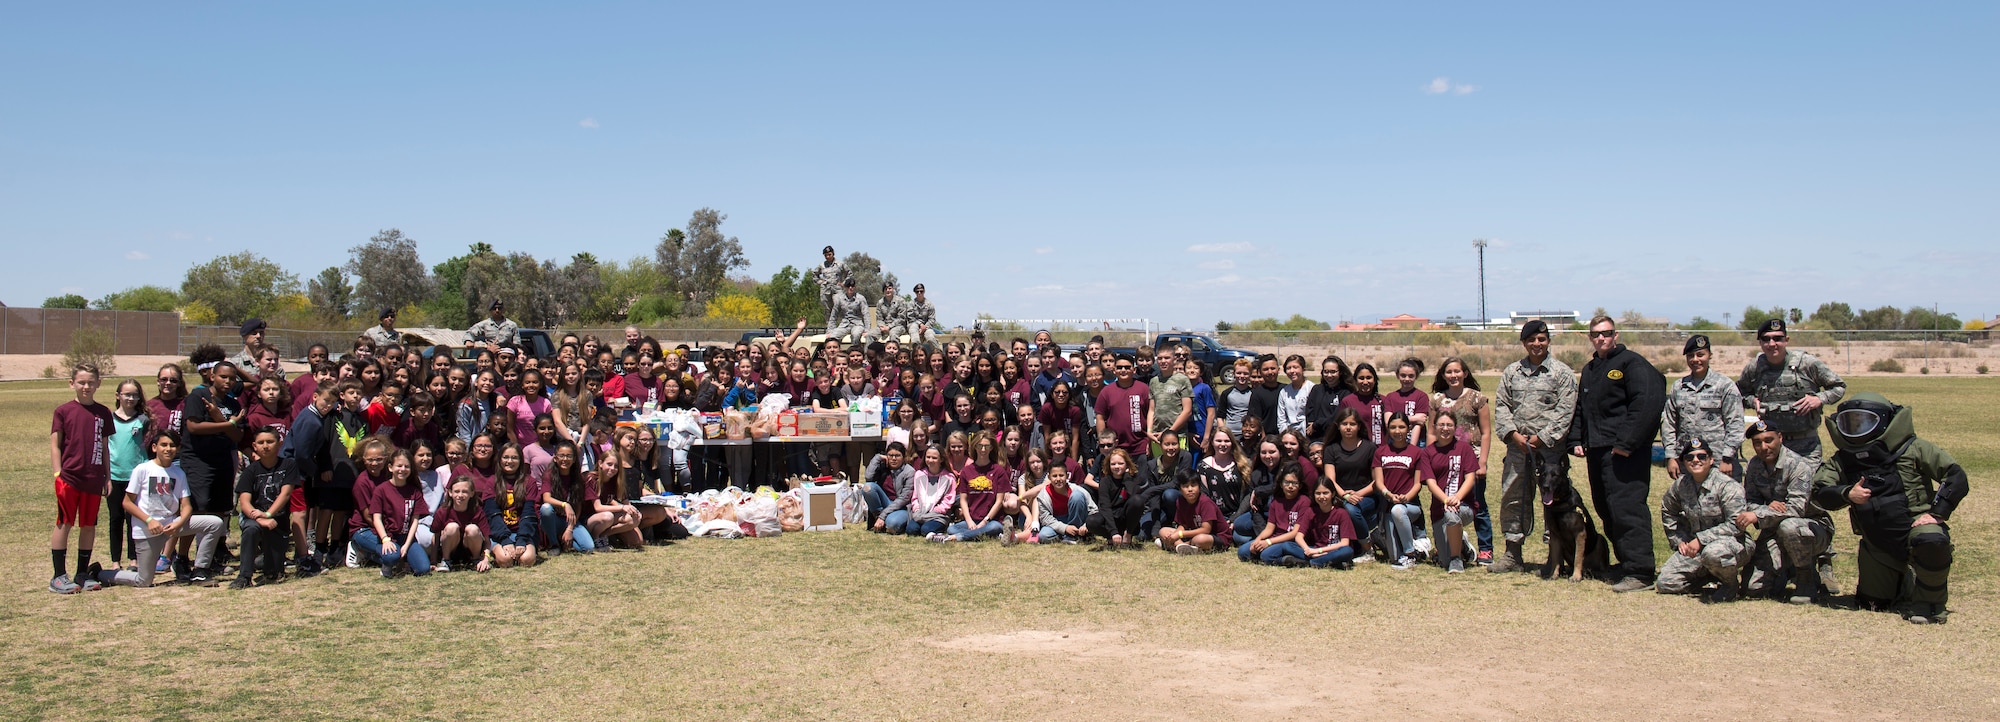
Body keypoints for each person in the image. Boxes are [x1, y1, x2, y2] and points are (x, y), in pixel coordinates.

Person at [1811, 392, 1968, 624]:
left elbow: (1956, 476)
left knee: (1931, 540)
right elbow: (1819, 492)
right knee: (1873, 605)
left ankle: (1929, 605)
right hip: (1877, 542)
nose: (1857, 428)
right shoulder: (1842, 460)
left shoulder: (1914, 448)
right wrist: (1847, 493)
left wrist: (1937, 514)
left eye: (1864, 422)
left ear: (1883, 421)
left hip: (1916, 528)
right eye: (1850, 423)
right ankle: (1905, 581)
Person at [1568, 315, 1667, 593]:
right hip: (1597, 451)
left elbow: (1648, 400)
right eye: (1596, 334)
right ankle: (1626, 562)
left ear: (1616, 335)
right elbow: (1582, 409)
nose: (1601, 338)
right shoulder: (1590, 370)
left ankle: (1641, 572)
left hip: (1625, 453)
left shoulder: (1631, 364)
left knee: (1627, 509)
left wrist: (1627, 442)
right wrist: (1576, 439)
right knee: (1606, 508)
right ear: (1590, 337)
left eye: (1607, 333)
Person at [1488, 320, 1576, 574]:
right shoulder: (1512, 372)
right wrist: (1513, 435)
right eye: (1532, 340)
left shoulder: (1561, 373)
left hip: (1550, 451)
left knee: (1553, 500)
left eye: (1542, 339)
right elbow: (1502, 405)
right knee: (1513, 498)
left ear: (1548, 341)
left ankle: (1554, 558)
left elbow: (1565, 411)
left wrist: (1542, 438)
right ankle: (1513, 555)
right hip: (1518, 450)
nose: (1537, 344)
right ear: (1524, 343)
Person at [92, 432, 226, 588]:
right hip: (148, 529)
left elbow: (187, 505)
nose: (168, 449)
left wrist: (179, 523)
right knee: (144, 581)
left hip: (172, 525)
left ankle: (200, 571)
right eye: (164, 445)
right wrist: (149, 520)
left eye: (172, 445)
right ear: (155, 447)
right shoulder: (142, 469)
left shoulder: (179, 473)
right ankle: (99, 573)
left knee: (215, 523)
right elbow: (127, 503)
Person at [1739, 419, 1835, 604]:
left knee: (1789, 526)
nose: (1763, 447)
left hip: (1811, 529)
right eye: (1757, 443)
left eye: (1769, 440)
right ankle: (1787, 568)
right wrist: (1766, 508)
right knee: (1753, 589)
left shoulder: (1798, 465)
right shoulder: (1754, 466)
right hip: (1774, 528)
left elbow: (1796, 509)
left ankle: (1805, 577)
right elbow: (1750, 502)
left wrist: (1759, 514)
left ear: (1780, 438)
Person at [1737, 318, 1846, 469]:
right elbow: (1738, 394)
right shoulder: (1755, 367)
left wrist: (1819, 399)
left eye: (1778, 338)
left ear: (1786, 340)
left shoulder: (1807, 363)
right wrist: (1751, 401)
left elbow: (1839, 387)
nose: (1772, 343)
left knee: (1807, 488)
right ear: (1760, 342)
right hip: (1771, 445)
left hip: (1806, 445)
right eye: (1766, 339)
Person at [1656, 439, 1751, 603]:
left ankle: (1730, 585)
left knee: (1713, 553)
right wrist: (1679, 540)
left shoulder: (1727, 486)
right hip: (1696, 548)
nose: (1695, 460)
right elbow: (1668, 510)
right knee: (1666, 583)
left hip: (1733, 544)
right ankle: (1709, 578)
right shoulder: (1681, 485)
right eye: (1690, 457)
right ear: (1684, 462)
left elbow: (1736, 524)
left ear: (1711, 459)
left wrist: (1701, 540)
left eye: (1702, 456)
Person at [48, 363, 115, 593]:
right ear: (72, 384)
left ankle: (82, 573)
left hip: (93, 479)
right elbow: (55, 444)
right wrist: (58, 473)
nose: (86, 386)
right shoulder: (63, 411)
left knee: (88, 525)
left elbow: (105, 448)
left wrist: (107, 476)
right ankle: (58, 576)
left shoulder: (103, 412)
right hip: (69, 478)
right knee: (64, 522)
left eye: (90, 382)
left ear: (98, 384)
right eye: (81, 382)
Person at [1430, 356, 1493, 565]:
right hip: (1443, 462)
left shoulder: (1477, 399)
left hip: (1471, 461)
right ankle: (1450, 545)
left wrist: (1482, 462)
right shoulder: (1437, 400)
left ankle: (1485, 549)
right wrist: (1430, 459)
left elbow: (1485, 432)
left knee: (1478, 505)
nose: (1453, 375)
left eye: (1457, 371)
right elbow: (1431, 432)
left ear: (1465, 373)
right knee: (1442, 505)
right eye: (1449, 372)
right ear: (1443, 375)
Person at [1662, 334, 1744, 478]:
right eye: (1690, 356)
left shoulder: (1724, 386)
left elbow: (1735, 423)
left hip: (1718, 462)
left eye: (1700, 355)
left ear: (1709, 355)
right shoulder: (1679, 387)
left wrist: (1727, 457)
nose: (1695, 360)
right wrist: (1671, 456)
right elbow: (1669, 423)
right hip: (1687, 461)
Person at [230, 427, 295, 589]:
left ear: (279, 443)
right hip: (254, 518)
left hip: (277, 521)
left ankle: (263, 562)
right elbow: (244, 503)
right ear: (254, 446)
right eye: (261, 442)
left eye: (270, 442)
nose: (265, 446)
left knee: (273, 573)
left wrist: (268, 514)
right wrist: (260, 518)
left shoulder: (288, 465)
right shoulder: (250, 471)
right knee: (251, 529)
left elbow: (285, 494)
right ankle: (244, 576)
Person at [356, 448, 433, 577]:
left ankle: (403, 558)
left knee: (423, 570)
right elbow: (376, 518)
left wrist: (407, 545)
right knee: (392, 557)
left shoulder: (415, 491)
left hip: (405, 537)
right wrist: (385, 539)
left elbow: (414, 521)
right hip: (387, 535)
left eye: (406, 466)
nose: (402, 469)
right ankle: (373, 556)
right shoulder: (381, 490)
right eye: (399, 466)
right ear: (391, 468)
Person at [104, 378, 151, 574]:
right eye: (126, 394)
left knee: (133, 520)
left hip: (136, 478)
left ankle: (134, 559)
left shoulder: (143, 420)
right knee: (115, 518)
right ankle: (115, 561)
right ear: (118, 396)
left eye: (134, 395)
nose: (130, 398)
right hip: (114, 476)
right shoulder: (109, 419)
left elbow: (148, 445)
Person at [1373, 413, 1431, 570]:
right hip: (1388, 505)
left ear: (1408, 429)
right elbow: (1379, 482)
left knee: (1398, 511)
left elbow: (1418, 483)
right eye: (1393, 427)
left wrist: (1405, 498)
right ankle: (1417, 548)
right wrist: (1389, 495)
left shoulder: (1417, 452)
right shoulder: (1380, 452)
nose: (1397, 431)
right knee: (1394, 557)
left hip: (1409, 506)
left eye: (1401, 427)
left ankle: (1411, 554)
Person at [1424, 413, 1480, 573]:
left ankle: (1457, 560)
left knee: (1452, 515)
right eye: (1441, 425)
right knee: (1443, 561)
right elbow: (1430, 482)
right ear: (1434, 427)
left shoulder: (1464, 448)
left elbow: (1470, 478)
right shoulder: (1428, 452)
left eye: (1449, 425)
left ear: (1455, 428)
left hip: (1464, 506)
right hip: (1439, 509)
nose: (1445, 428)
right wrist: (1446, 500)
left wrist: (1457, 498)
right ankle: (1462, 543)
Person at [1321, 408, 1378, 562]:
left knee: (1350, 509)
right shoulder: (1331, 449)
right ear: (1338, 426)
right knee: (1346, 505)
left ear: (1359, 426)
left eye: (1352, 424)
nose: (1348, 427)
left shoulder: (1370, 448)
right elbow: (1330, 479)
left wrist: (1357, 495)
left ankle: (1368, 550)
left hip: (1366, 496)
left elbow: (1376, 481)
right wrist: (1345, 494)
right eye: (1344, 424)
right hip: (1341, 495)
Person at [1238, 462, 1312, 566]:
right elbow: (1269, 528)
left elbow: (1295, 532)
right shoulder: (1276, 501)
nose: (1290, 486)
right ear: (1281, 484)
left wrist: (1268, 542)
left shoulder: (1304, 501)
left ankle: (1288, 560)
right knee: (1243, 552)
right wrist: (1258, 540)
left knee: (1266, 555)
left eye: (1294, 483)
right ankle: (1276, 557)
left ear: (1300, 485)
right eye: (1287, 483)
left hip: (1291, 541)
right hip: (1275, 537)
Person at [486, 448, 541, 568]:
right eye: (505, 457)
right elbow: (493, 515)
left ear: (520, 461)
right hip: (499, 532)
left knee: (527, 560)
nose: (509, 461)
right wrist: (505, 540)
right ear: (499, 460)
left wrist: (522, 540)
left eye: (514, 458)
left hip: (522, 531)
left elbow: (529, 514)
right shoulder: (491, 481)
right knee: (505, 561)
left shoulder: (529, 481)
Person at [1093, 354, 1151, 460]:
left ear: (1134, 370)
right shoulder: (1106, 391)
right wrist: (1104, 442)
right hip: (1115, 449)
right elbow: (1100, 417)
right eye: (1119, 367)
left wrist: (1149, 441)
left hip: (1141, 448)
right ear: (1114, 370)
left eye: (1127, 367)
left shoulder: (1144, 389)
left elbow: (1151, 415)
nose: (1123, 370)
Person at [431, 476, 492, 572]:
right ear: (450, 493)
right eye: (456, 491)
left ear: (472, 493)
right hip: (451, 550)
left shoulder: (477, 511)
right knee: (452, 527)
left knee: (472, 529)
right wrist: (433, 561)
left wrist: (485, 559)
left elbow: (487, 541)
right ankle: (446, 561)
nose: (460, 495)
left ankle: (475, 561)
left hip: (470, 550)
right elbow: (436, 536)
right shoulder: (443, 511)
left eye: (465, 491)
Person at [1301, 478, 1360, 569]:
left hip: (1334, 550)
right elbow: (1298, 536)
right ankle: (1329, 562)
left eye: (1325, 493)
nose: (1321, 497)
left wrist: (1319, 551)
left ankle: (1312, 562)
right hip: (1314, 549)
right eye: (1318, 493)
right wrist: (1308, 550)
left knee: (1347, 551)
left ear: (1332, 494)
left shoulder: (1341, 513)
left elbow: (1344, 543)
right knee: (1288, 546)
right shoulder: (1310, 511)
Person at [1157, 471, 1221, 554]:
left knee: (1199, 539)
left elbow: (1206, 530)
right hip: (1191, 534)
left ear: (1199, 487)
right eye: (1185, 486)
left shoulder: (1205, 502)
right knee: (1163, 531)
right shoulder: (1180, 501)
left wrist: (1180, 535)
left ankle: (1176, 546)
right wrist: (1173, 535)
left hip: (1213, 536)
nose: (1190, 489)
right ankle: (1184, 547)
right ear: (1180, 489)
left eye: (1193, 485)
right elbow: (1182, 525)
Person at [1033, 463, 1095, 544]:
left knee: (1077, 496)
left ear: (1067, 476)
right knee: (1044, 536)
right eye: (1054, 476)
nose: (1058, 479)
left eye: (1061, 475)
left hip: (1078, 520)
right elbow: (1045, 518)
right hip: (1057, 521)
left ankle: (1073, 536)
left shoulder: (1078, 490)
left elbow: (1094, 510)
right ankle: (1068, 535)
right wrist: (1065, 528)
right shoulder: (1043, 495)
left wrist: (1086, 525)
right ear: (1049, 477)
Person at [1302, 355, 1352, 442]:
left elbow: (1337, 416)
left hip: (1335, 438)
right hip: (1315, 438)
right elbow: (1309, 412)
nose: (1329, 375)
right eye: (1326, 371)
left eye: (1333, 372)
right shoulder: (1316, 389)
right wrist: (1311, 426)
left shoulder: (1346, 393)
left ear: (1340, 372)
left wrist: (1317, 424)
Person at [811, 245, 849, 327]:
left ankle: (843, 326)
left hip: (837, 289)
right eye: (826, 255)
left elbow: (849, 273)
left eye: (829, 254)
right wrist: (820, 281)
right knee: (827, 309)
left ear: (833, 254)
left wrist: (844, 283)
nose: (827, 257)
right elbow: (814, 274)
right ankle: (830, 327)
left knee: (840, 306)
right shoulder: (822, 265)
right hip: (826, 290)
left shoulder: (840, 264)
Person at [1274, 355, 1311, 436]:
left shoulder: (1311, 388)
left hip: (1307, 434)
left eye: (1295, 367)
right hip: (1289, 435)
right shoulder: (1284, 392)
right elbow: (1281, 419)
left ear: (1303, 369)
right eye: (1288, 368)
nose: (1292, 371)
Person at [828, 279, 871, 343]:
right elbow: (834, 314)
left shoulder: (860, 298)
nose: (850, 288)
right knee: (833, 337)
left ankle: (855, 351)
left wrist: (867, 330)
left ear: (855, 287)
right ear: (845, 287)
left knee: (856, 335)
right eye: (848, 286)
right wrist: (830, 330)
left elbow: (866, 315)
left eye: (852, 286)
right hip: (844, 324)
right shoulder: (840, 299)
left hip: (857, 324)